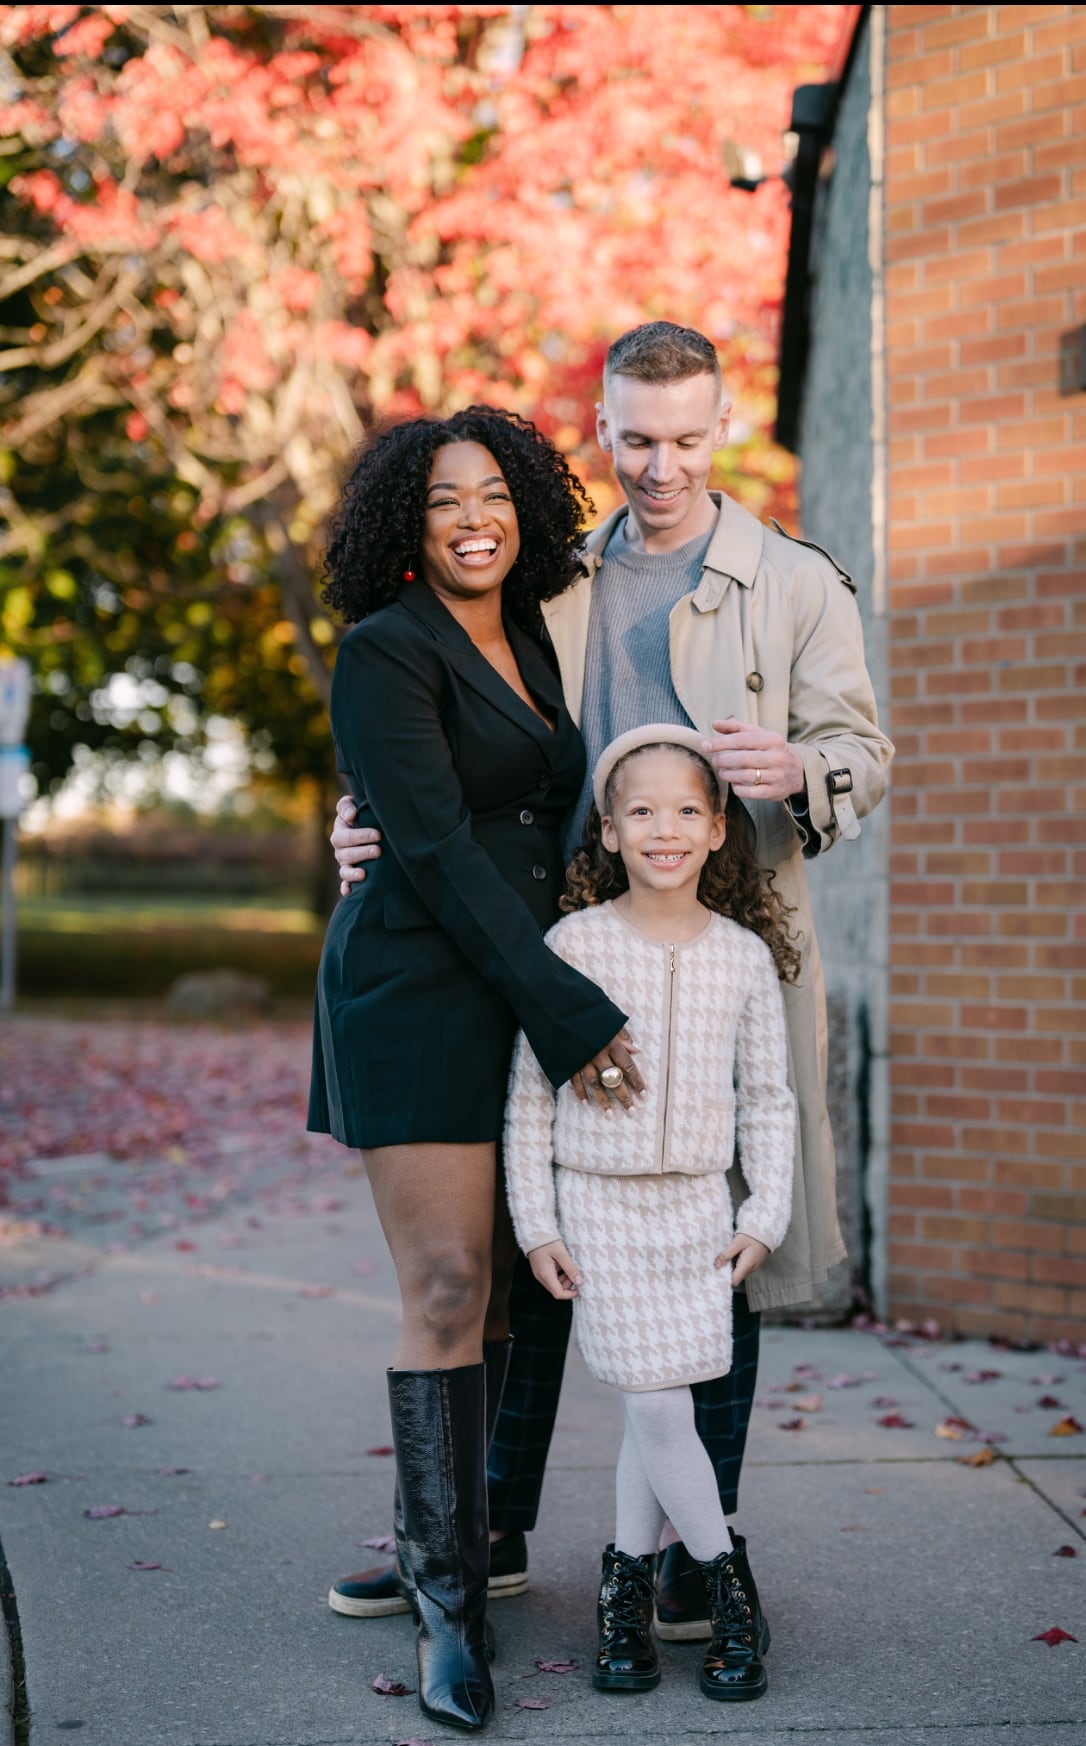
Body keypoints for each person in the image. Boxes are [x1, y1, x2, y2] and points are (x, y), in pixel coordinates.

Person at [328, 321, 894, 1640]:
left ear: (722, 425)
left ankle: (702, 1550)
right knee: (539, 1245)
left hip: (727, 934)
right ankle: (485, 1529)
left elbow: (864, 751)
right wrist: (362, 821)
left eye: (688, 438)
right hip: (560, 940)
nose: (661, 466)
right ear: (599, 429)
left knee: (720, 1243)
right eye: (635, 439)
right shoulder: (548, 576)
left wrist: (801, 772)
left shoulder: (792, 579)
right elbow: (448, 736)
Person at [308, 404, 646, 1734]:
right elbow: (438, 853)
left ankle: (454, 1542)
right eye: (445, 498)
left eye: (495, 494)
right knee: (446, 1280)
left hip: (518, 971)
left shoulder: (538, 645)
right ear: (409, 518)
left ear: (528, 512)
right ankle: (448, 1612)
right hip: (417, 984)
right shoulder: (384, 651)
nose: (472, 518)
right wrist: (572, 1009)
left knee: (505, 1285)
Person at [505, 726, 797, 1703]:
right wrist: (536, 1222)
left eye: (685, 810)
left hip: (698, 1213)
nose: (663, 828)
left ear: (717, 829)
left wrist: (768, 1208)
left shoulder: (744, 959)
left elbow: (770, 1099)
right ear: (611, 830)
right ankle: (729, 1586)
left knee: (651, 1406)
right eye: (641, 810)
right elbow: (530, 1096)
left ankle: (623, 1592)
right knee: (661, 1401)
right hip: (599, 1205)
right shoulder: (574, 945)